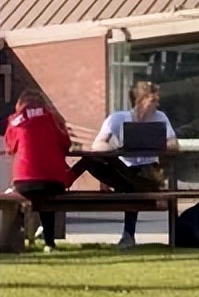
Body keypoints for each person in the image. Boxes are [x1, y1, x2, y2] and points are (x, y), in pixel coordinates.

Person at [72, 81, 177, 249]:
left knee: (134, 185)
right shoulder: (118, 118)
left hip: (148, 173)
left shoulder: (160, 118)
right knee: (89, 160)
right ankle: (62, 184)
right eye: (153, 100)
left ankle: (128, 236)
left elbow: (174, 144)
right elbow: (98, 146)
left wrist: (158, 145)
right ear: (141, 100)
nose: (157, 104)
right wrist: (116, 150)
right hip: (124, 171)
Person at [4, 89, 73, 251]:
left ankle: (17, 239)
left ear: (20, 104)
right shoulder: (52, 118)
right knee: (47, 199)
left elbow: (10, 146)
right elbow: (66, 143)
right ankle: (49, 243)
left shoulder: (15, 120)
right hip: (53, 181)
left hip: (24, 181)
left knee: (24, 198)